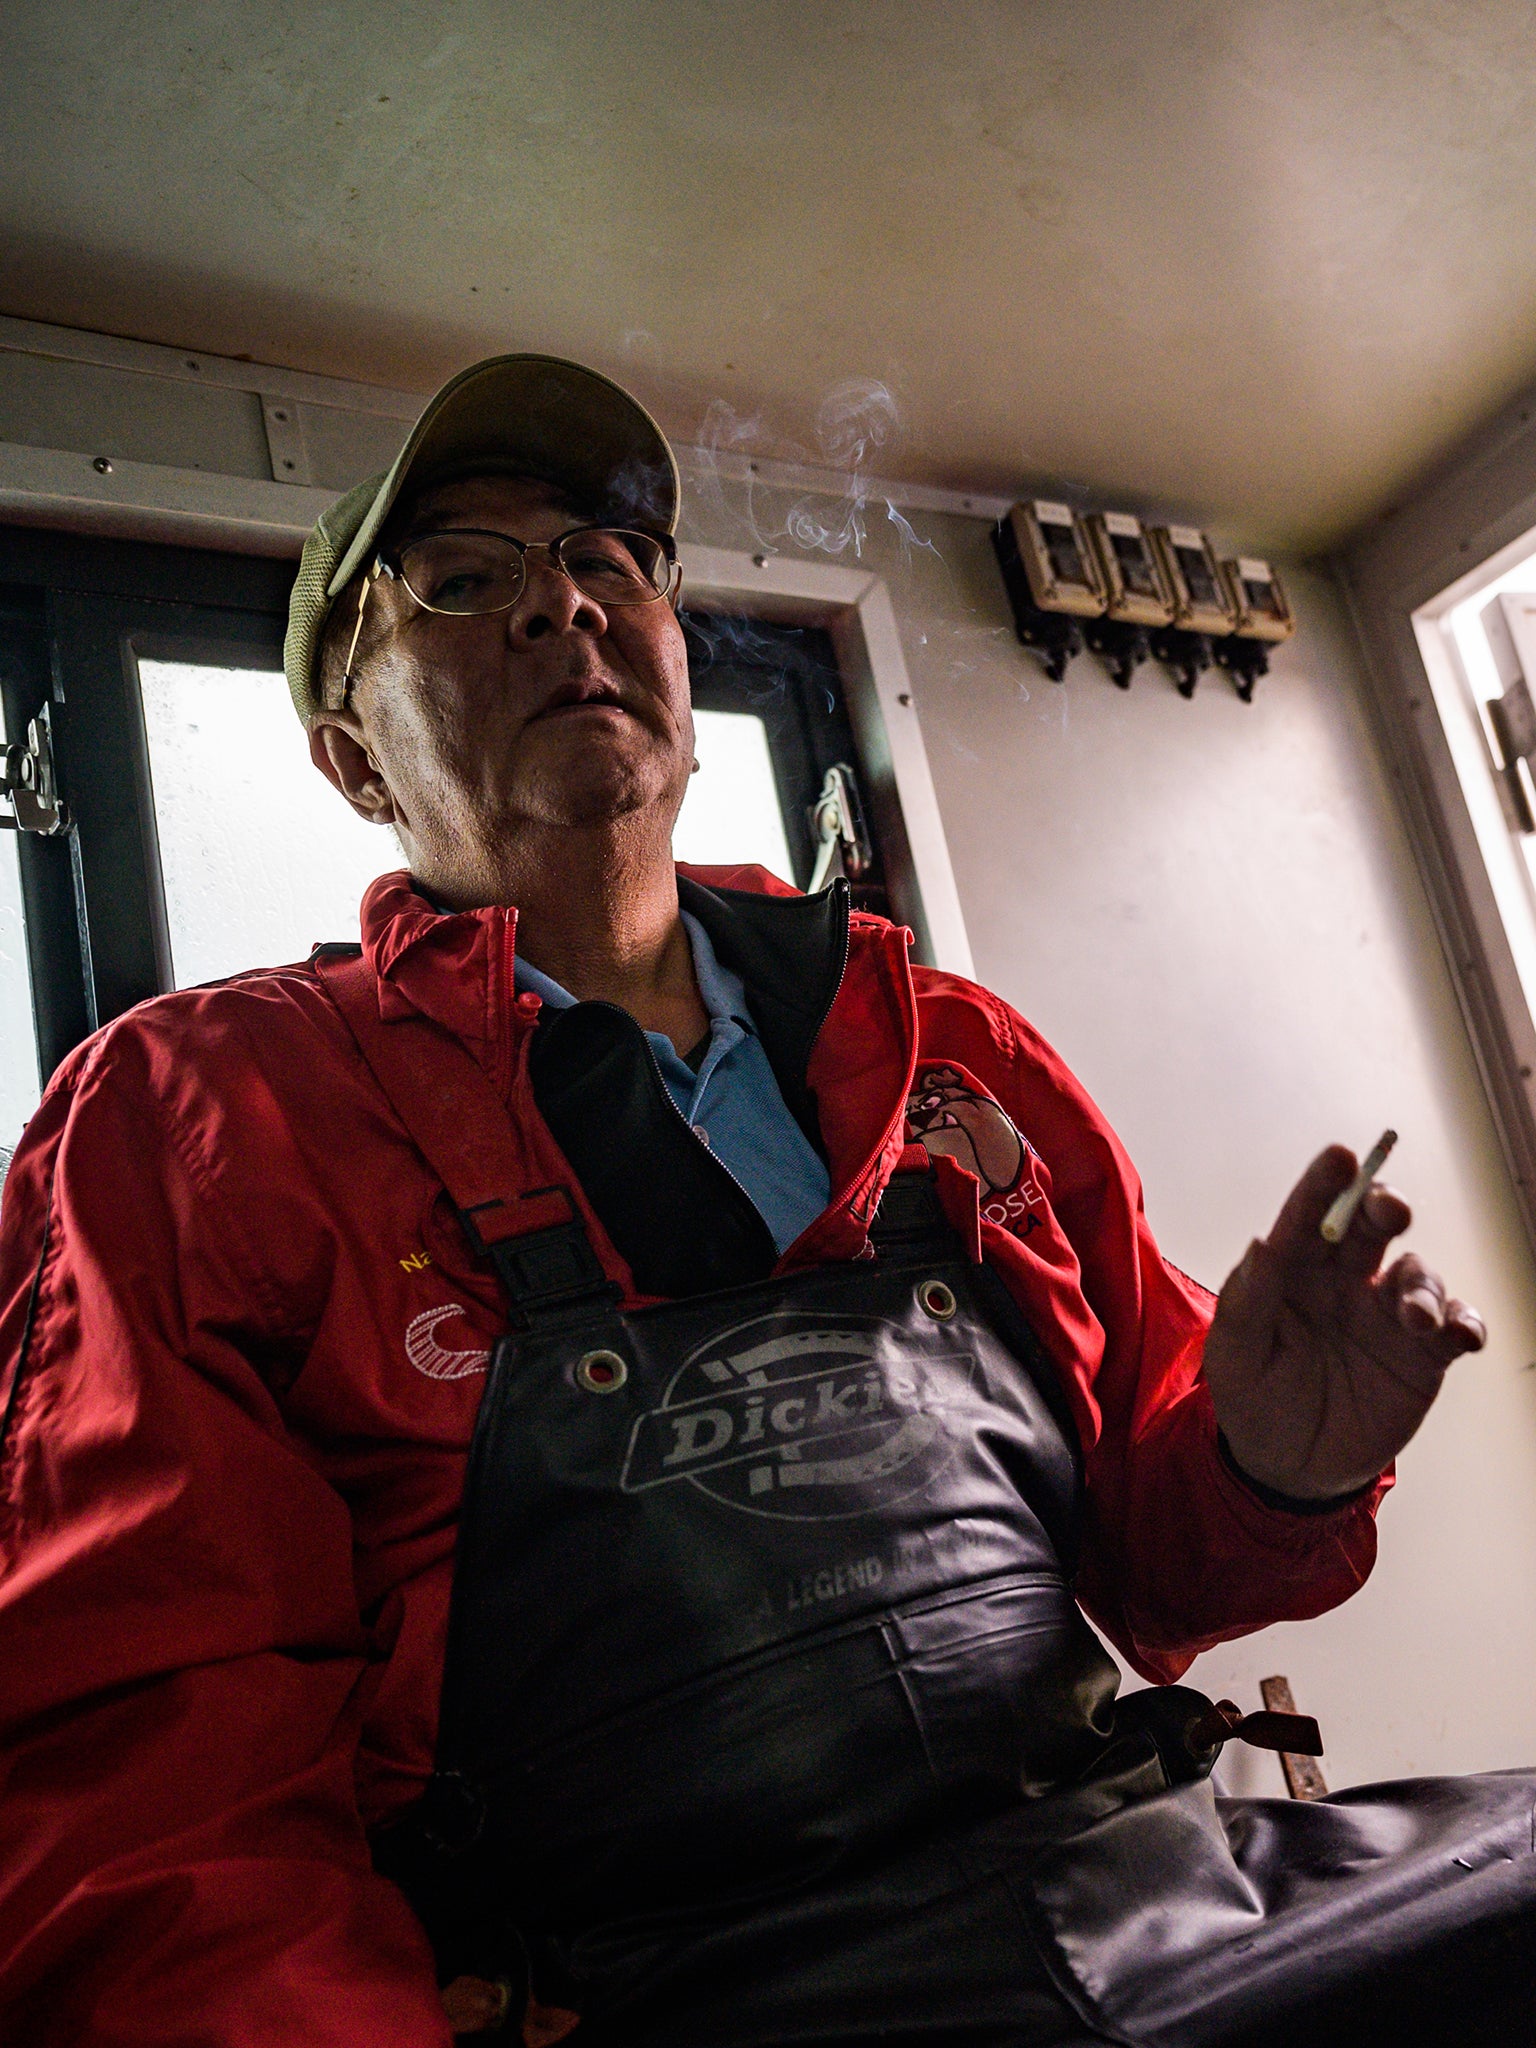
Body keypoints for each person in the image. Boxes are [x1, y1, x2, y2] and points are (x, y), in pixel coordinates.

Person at [0, 354, 1528, 2048]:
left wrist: (1271, 1461)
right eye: (460, 579)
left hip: (1155, 1906)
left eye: (607, 559)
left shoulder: (951, 1048)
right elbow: (153, 1809)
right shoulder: (194, 1116)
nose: (559, 606)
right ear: (352, 761)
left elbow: (1154, 1579)